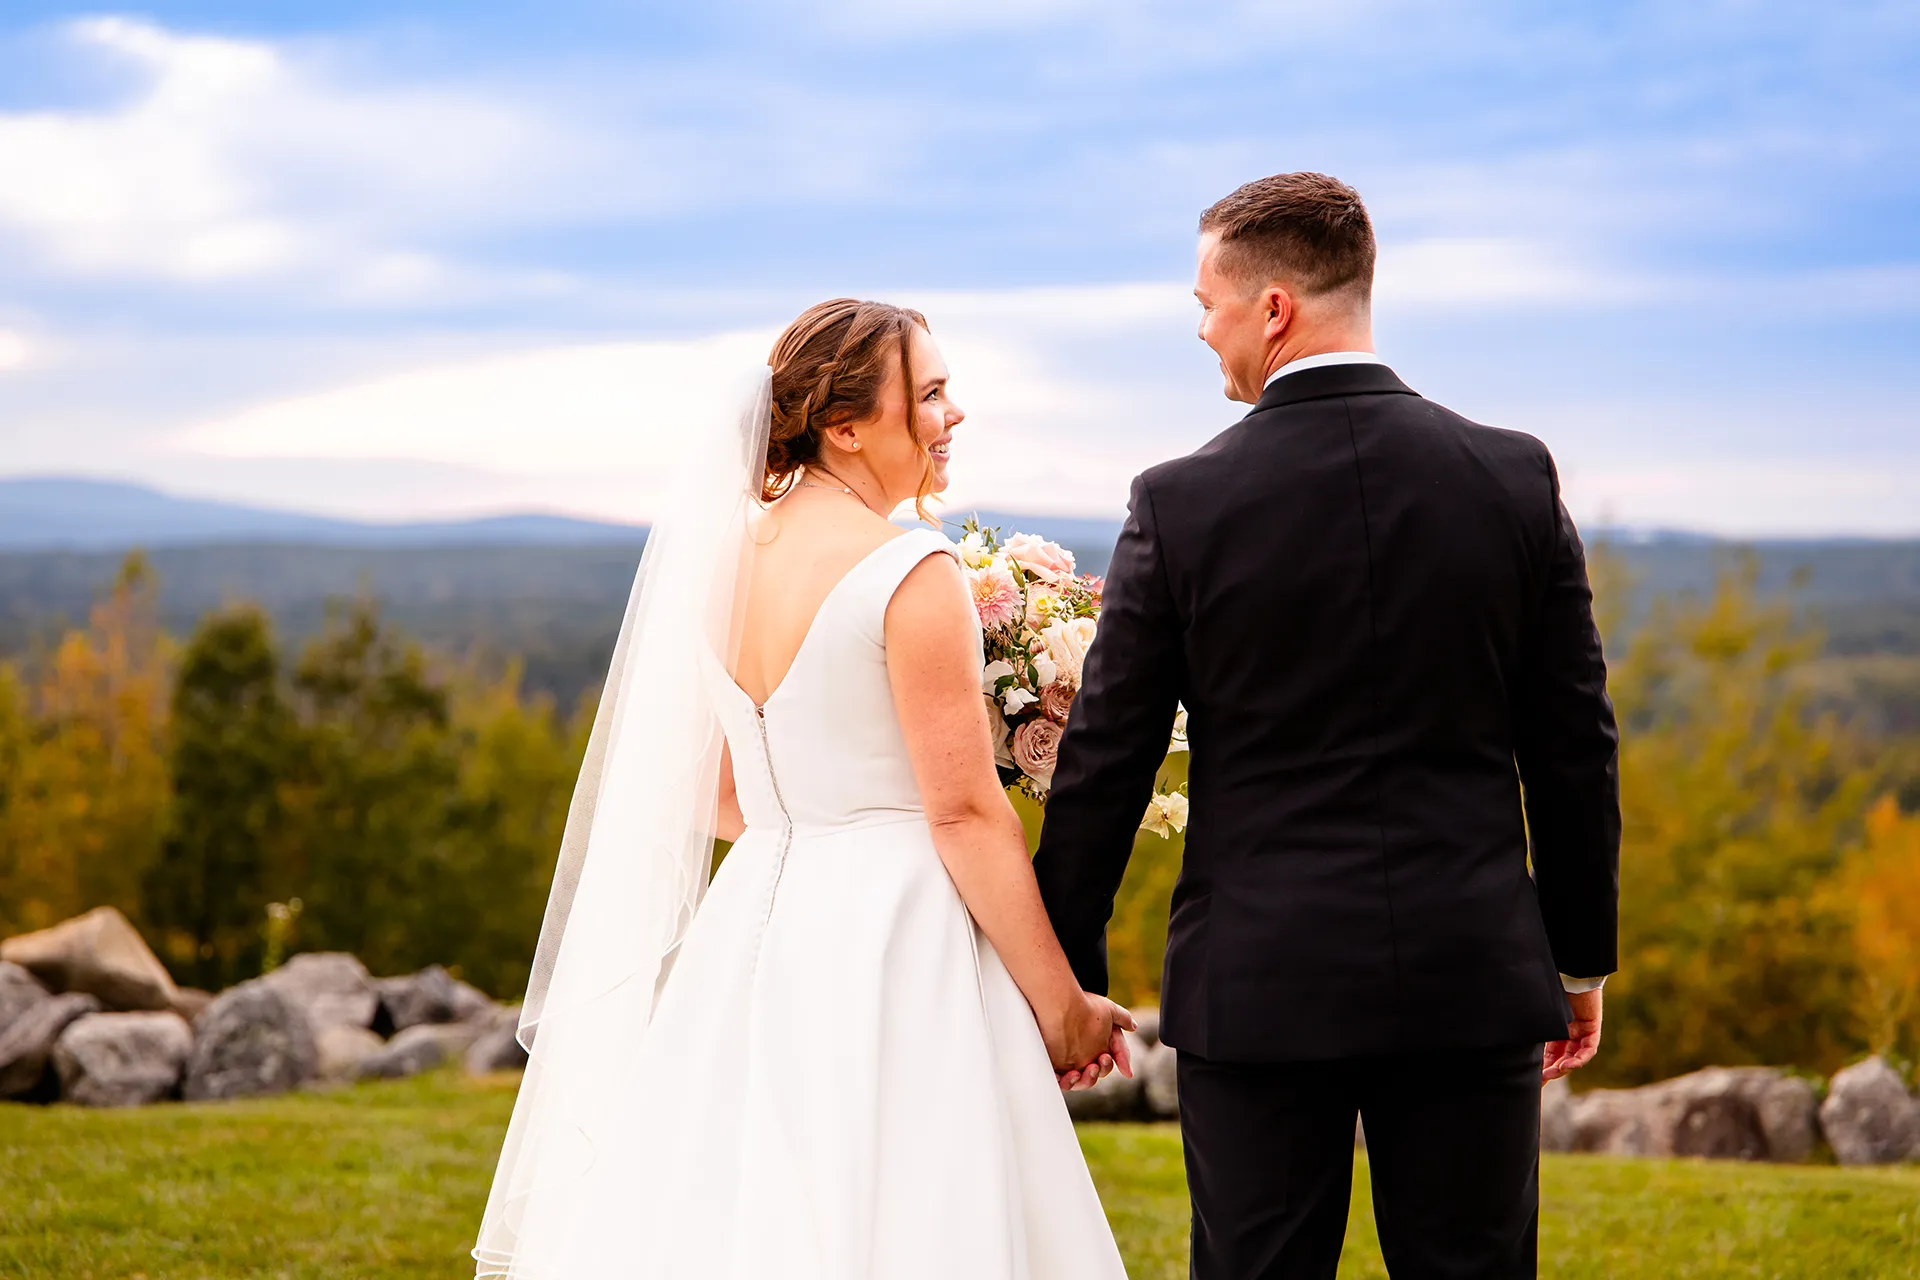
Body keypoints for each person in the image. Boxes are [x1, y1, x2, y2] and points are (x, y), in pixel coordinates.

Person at [1033, 172, 1622, 1279]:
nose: (1202, 328)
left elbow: (1107, 755)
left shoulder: (1179, 502)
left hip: (1258, 986)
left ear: (1273, 308)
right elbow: (1573, 743)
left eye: (1208, 301)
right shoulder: (1511, 475)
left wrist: (1065, 973)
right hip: (1471, 972)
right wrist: (1577, 955)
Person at [472, 299, 1132, 1278]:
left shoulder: (722, 561)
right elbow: (962, 813)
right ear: (847, 423)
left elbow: (713, 789)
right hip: (904, 938)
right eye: (934, 393)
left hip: (753, 927)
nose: (955, 415)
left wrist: (811, 822)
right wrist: (1063, 1001)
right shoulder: (914, 568)